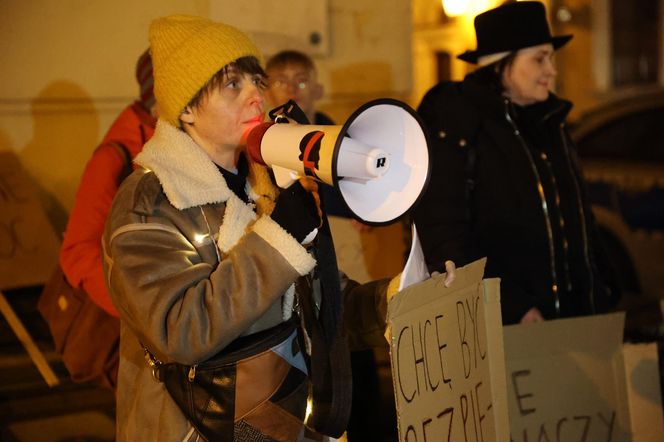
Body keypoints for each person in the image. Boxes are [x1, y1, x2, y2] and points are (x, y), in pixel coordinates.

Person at [101, 15, 445, 441]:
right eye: (232, 84)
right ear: (186, 108)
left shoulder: (264, 189)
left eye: (257, 82)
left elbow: (323, 308)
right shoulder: (150, 203)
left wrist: (394, 301)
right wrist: (280, 239)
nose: (255, 97)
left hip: (278, 424)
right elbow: (181, 330)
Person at [413, 1, 619, 326]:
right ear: (500, 64)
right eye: (539, 58)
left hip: (571, 317)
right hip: (507, 321)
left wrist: (601, 288)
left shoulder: (549, 123)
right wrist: (511, 306)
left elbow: (578, 218)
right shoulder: (461, 124)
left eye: (550, 58)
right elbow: (443, 230)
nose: (551, 70)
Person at [57, 49, 157, 388]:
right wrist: (142, 312)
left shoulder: (181, 142)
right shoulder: (116, 156)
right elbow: (77, 252)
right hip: (141, 336)